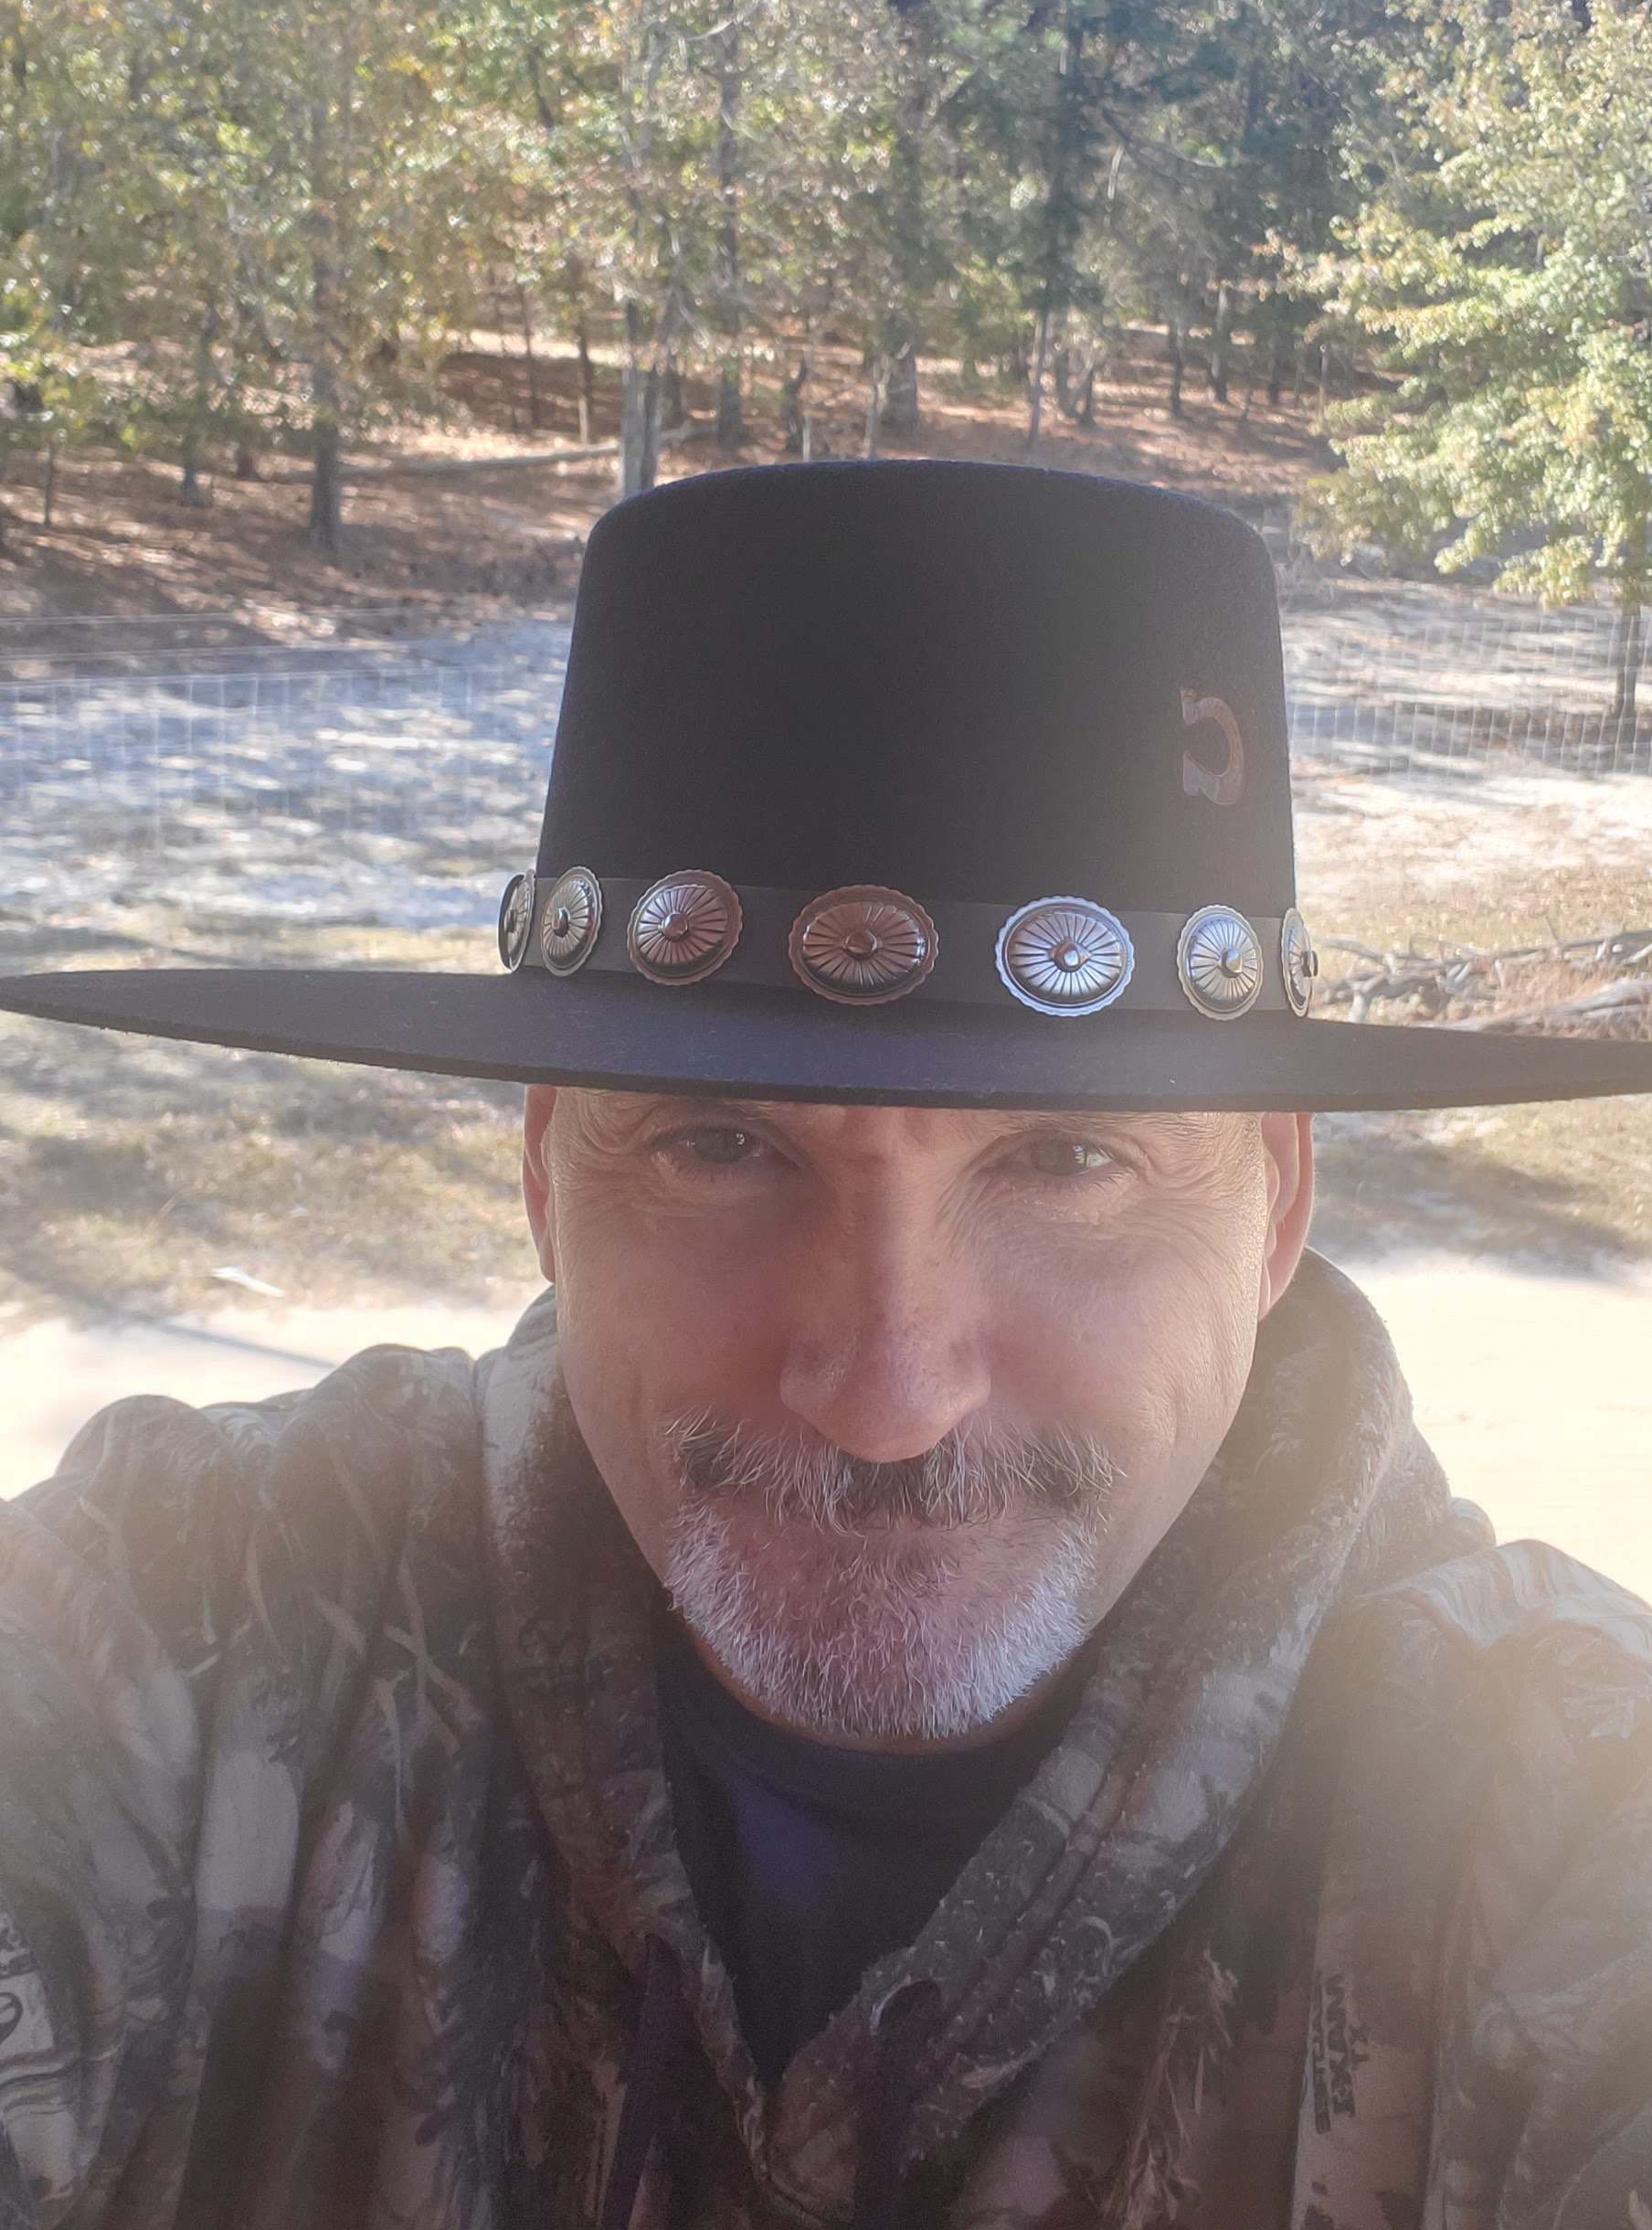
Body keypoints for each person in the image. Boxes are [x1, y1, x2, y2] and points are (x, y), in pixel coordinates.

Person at [0, 461, 1647, 2230]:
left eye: (1067, 1164)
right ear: (546, 1176)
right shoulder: (198, 1622)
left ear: (1278, 1201)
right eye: (723, 1147)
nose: (884, 1395)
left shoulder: (1554, 1811)